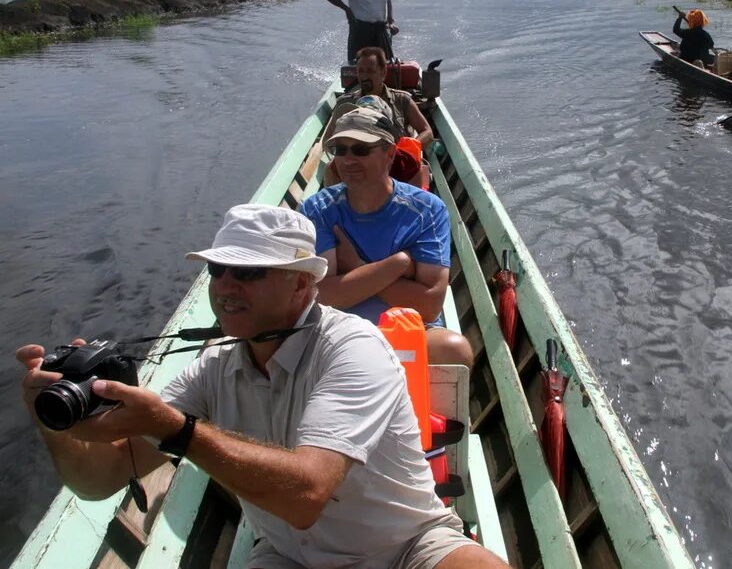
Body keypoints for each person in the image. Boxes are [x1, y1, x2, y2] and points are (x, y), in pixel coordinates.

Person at [16, 204, 506, 568]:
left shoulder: (353, 347)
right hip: (289, 556)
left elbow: (307, 493)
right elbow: (99, 480)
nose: (226, 285)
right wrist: (56, 424)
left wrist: (177, 429)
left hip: (407, 547)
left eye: (248, 271)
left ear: (301, 285)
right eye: (218, 270)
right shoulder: (212, 368)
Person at [299, 109, 474, 367]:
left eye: (360, 150)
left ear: (389, 154)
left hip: (408, 331)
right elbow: (322, 296)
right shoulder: (317, 209)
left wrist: (358, 268)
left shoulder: (427, 210)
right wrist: (398, 265)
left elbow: (428, 306)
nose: (347, 160)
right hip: (338, 330)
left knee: (456, 351)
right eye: (340, 150)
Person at [354, 46, 433, 147]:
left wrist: (407, 150)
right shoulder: (346, 102)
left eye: (370, 71)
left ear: (383, 73)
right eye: (360, 71)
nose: (364, 76)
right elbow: (328, 140)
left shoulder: (402, 100)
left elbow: (427, 132)